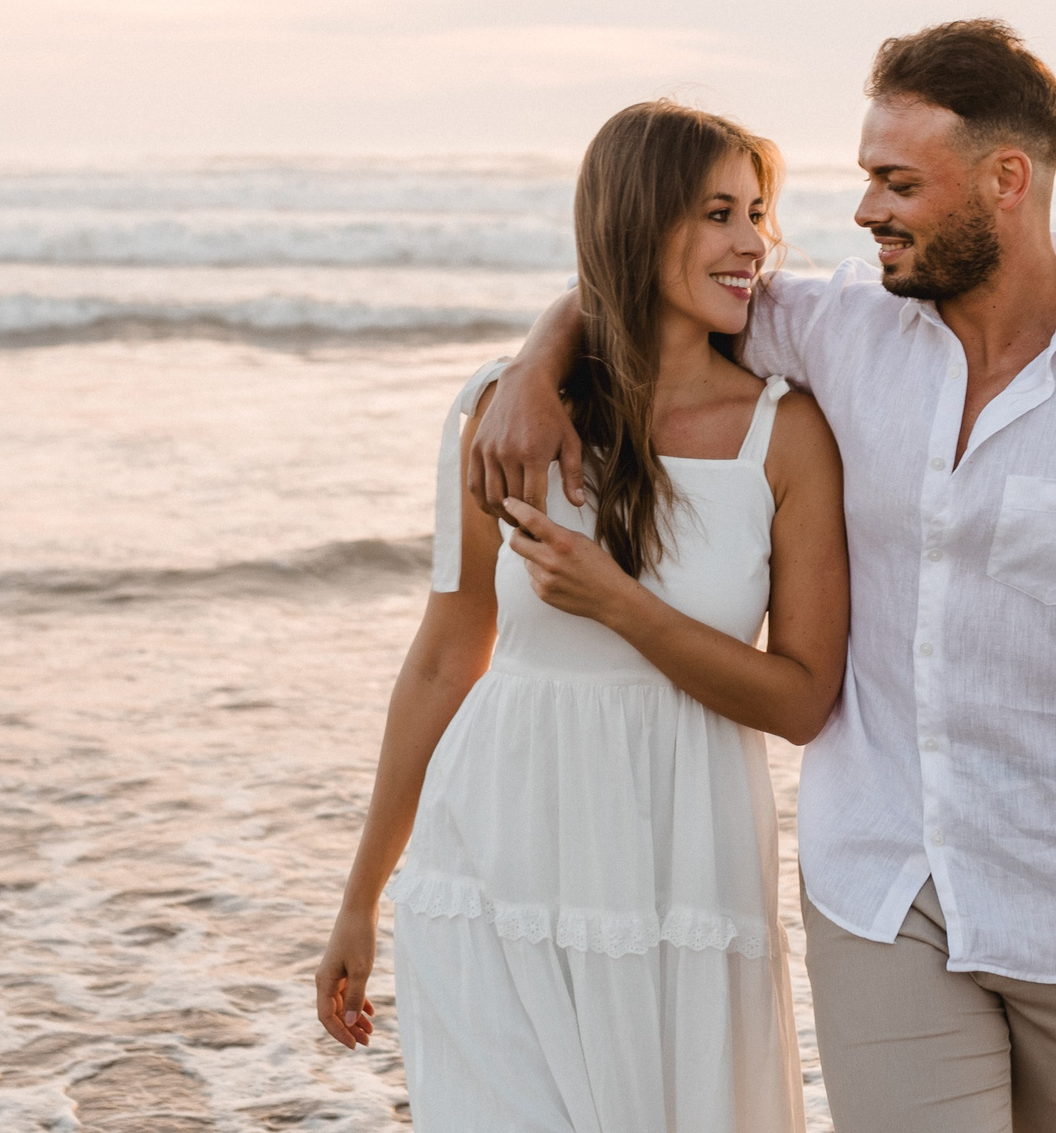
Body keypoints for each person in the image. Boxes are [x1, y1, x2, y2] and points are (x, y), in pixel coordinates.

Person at [473, 20, 1056, 1133]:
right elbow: (662, 280)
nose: (864, 209)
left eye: (896, 181)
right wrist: (537, 364)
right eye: (867, 176)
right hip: (879, 886)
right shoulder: (840, 331)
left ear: (1004, 180)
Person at [314, 101, 850, 1133]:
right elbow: (442, 658)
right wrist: (358, 898)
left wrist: (620, 605)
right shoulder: (511, 415)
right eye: (719, 214)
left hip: (679, 864)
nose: (755, 246)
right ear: (638, 223)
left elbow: (801, 699)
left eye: (758, 213)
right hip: (493, 852)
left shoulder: (786, 439)